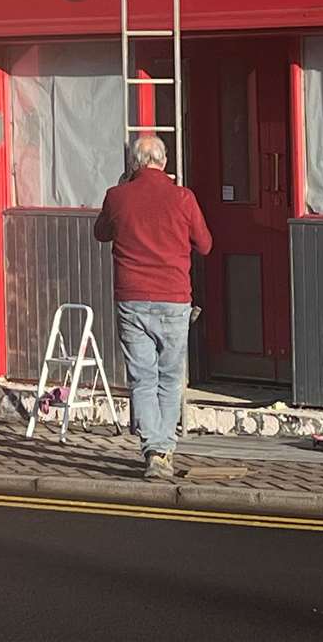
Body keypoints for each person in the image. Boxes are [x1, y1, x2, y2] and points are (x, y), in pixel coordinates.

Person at [94, 135, 212, 479]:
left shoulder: (117, 196)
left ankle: (154, 450)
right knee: (170, 378)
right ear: (164, 161)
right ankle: (164, 449)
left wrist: (121, 188)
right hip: (174, 298)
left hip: (131, 298)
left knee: (142, 378)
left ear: (134, 163)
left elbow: (101, 233)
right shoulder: (183, 197)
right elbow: (205, 244)